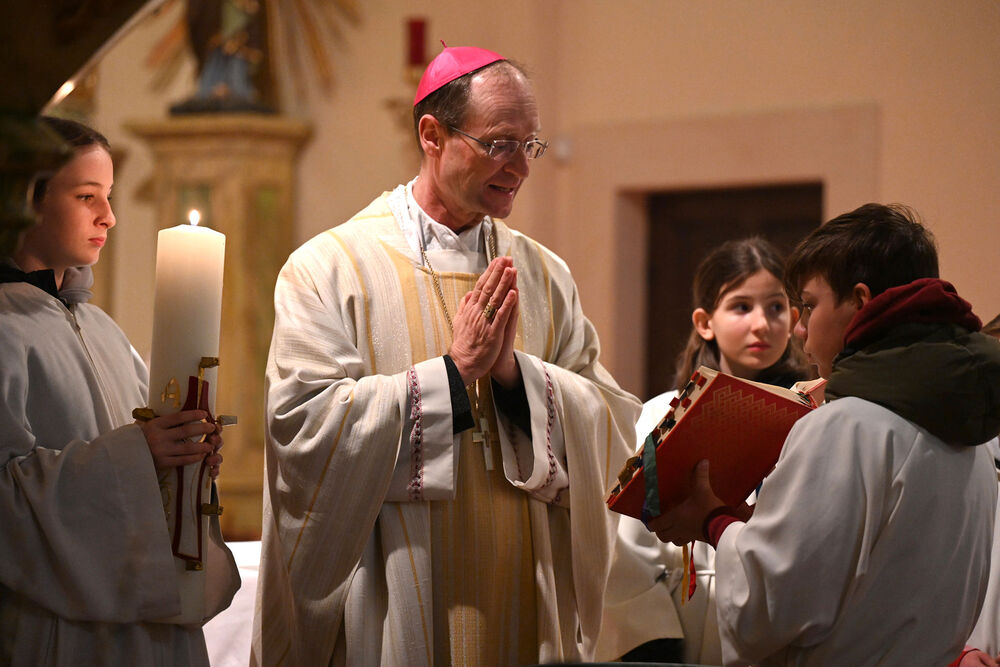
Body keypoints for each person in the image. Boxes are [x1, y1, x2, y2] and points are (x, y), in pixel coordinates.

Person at [252, 46, 640, 665]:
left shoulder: (543, 274)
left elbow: (609, 421)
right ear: (432, 135)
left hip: (522, 586)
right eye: (500, 144)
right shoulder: (328, 268)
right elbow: (302, 429)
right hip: (398, 590)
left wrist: (515, 378)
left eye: (530, 145)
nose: (520, 166)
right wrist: (452, 378)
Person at [649, 203, 1000, 665]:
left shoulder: (846, 425)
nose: (799, 329)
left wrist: (714, 522)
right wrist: (757, 526)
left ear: (860, 301)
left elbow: (771, 608)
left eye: (810, 306)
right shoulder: (973, 436)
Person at [0, 116, 240, 664]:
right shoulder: (6, 326)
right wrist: (138, 454)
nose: (108, 216)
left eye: (108, 196)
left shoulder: (104, 330)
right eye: (87, 196)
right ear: (25, 200)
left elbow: (149, 453)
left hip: (145, 621)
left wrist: (186, 459)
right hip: (57, 628)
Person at [597, 237, 808, 664]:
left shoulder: (812, 420)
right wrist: (652, 642)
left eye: (776, 307)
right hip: (684, 626)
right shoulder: (661, 414)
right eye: (741, 306)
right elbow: (625, 548)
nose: (762, 324)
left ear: (794, 318)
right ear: (705, 322)